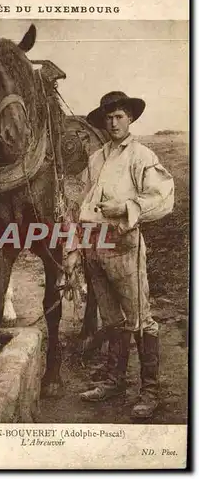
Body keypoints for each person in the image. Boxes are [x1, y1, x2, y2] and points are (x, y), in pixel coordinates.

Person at [69, 91, 174, 419]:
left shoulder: (141, 156)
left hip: (124, 244)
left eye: (119, 116)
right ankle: (114, 380)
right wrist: (75, 245)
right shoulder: (96, 158)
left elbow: (163, 197)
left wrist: (126, 206)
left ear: (130, 118)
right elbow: (82, 203)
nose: (113, 122)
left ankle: (150, 390)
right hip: (94, 247)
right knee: (112, 318)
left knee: (141, 317)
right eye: (108, 118)